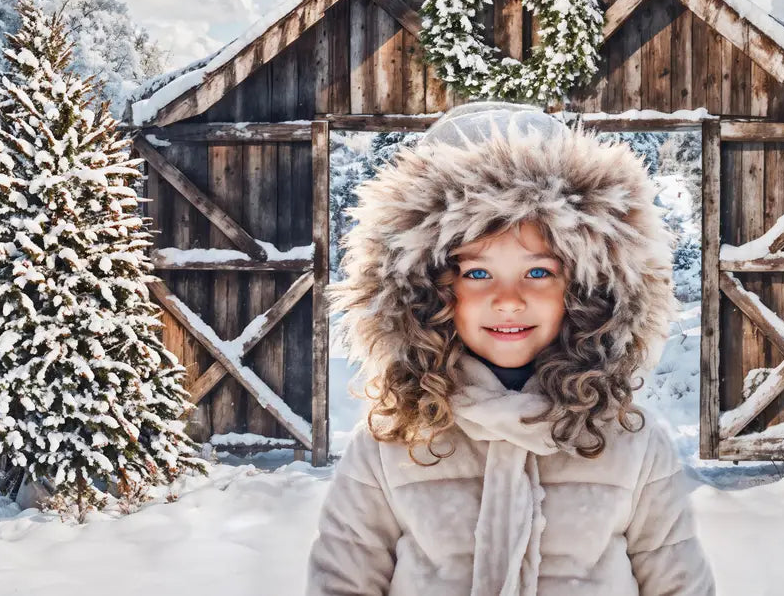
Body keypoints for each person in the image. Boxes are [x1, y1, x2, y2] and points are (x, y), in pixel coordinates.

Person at [305, 100, 716, 596]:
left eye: (539, 272)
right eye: (477, 273)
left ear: (588, 289)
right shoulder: (392, 440)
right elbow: (343, 582)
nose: (508, 300)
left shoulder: (632, 442)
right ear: (427, 289)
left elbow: (679, 585)